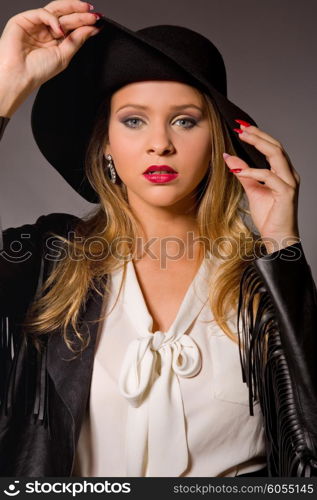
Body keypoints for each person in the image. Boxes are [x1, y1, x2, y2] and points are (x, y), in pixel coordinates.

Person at [0, 0, 316, 478]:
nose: (160, 143)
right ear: (105, 141)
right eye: (133, 120)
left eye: (185, 120)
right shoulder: (50, 260)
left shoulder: (264, 280)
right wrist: (5, 86)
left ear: (218, 140)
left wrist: (283, 248)